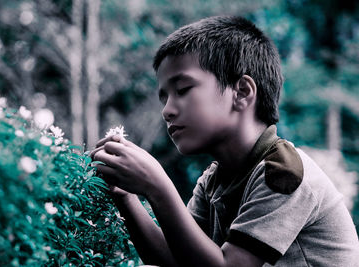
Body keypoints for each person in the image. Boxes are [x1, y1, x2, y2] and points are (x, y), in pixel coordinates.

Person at [91, 16, 359, 266]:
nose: (167, 110)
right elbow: (174, 257)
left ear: (241, 92)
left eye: (182, 90)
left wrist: (158, 186)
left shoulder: (283, 174)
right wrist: (124, 196)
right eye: (164, 98)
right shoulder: (215, 179)